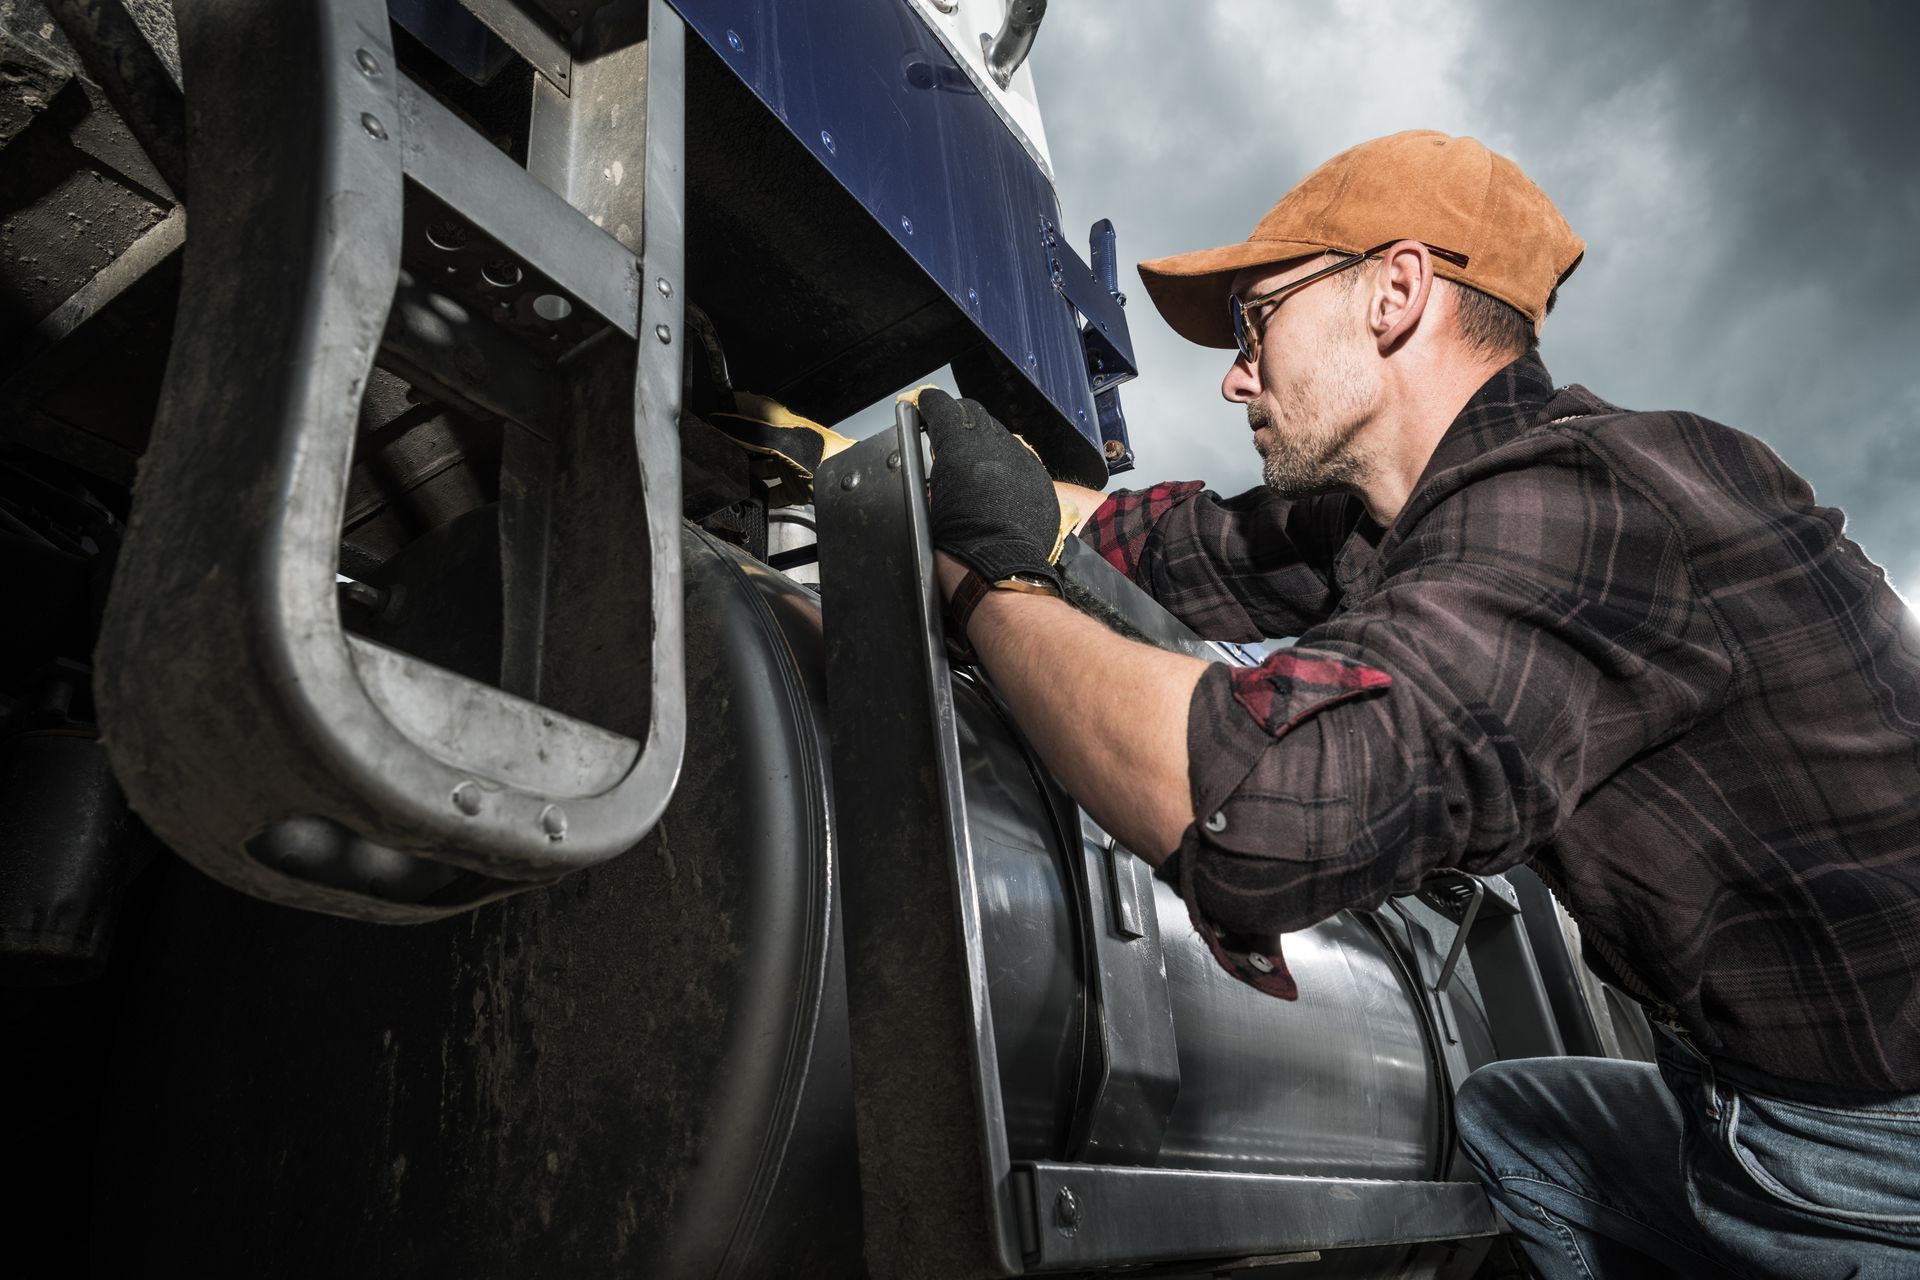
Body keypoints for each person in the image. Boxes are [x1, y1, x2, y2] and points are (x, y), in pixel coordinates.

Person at [916, 130, 1920, 1278]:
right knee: (1513, 1124)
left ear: (1397, 292)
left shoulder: (1586, 504)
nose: (1237, 375)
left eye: (1257, 323)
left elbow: (1253, 812)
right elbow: (1155, 541)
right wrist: (928, 468)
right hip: (1743, 1091)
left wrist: (989, 588)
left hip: (1879, 1152)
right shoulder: (1399, 517)